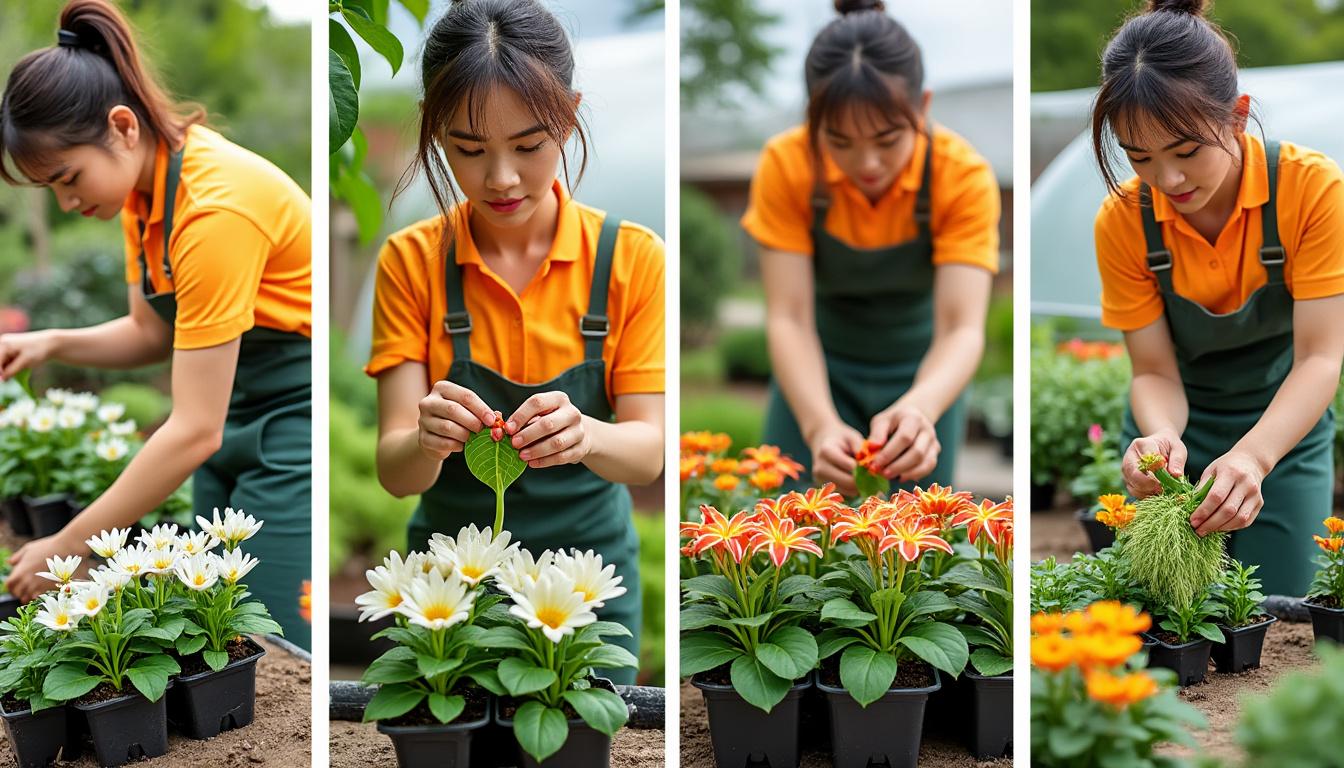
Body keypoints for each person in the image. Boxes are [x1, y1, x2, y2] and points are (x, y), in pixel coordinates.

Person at [367, 0, 665, 684]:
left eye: (528, 146)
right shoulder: (412, 261)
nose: (500, 179)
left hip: (588, 585)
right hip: (452, 582)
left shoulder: (630, 258)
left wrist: (586, 435)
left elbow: (647, 455)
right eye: (469, 150)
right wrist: (425, 437)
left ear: (569, 114)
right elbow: (394, 472)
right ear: (434, 130)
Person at [0, 0, 312, 646]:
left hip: (294, 429)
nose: (66, 201)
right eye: (50, 190)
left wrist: (65, 543)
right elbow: (153, 331)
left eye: (67, 178)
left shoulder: (214, 208)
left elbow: (194, 426)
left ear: (122, 127)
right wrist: (51, 341)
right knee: (217, 625)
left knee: (277, 643)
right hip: (231, 425)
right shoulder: (141, 196)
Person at [1093, 0, 1344, 596]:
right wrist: (1159, 443)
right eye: (1139, 157)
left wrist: (1255, 459)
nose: (1168, 180)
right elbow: (1153, 369)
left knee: (1284, 608)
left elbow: (1319, 358)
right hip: (1179, 430)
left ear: (1237, 116)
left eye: (1185, 152)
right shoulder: (1124, 221)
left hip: (1283, 430)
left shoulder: (1310, 190)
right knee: (1167, 618)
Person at [742, 0, 999, 497]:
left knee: (919, 554)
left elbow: (960, 327)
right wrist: (818, 425)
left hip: (924, 372)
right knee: (785, 536)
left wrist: (921, 408)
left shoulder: (961, 176)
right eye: (838, 140)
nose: (868, 164)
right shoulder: (786, 165)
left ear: (922, 107)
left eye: (887, 139)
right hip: (817, 369)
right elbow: (789, 317)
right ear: (812, 118)